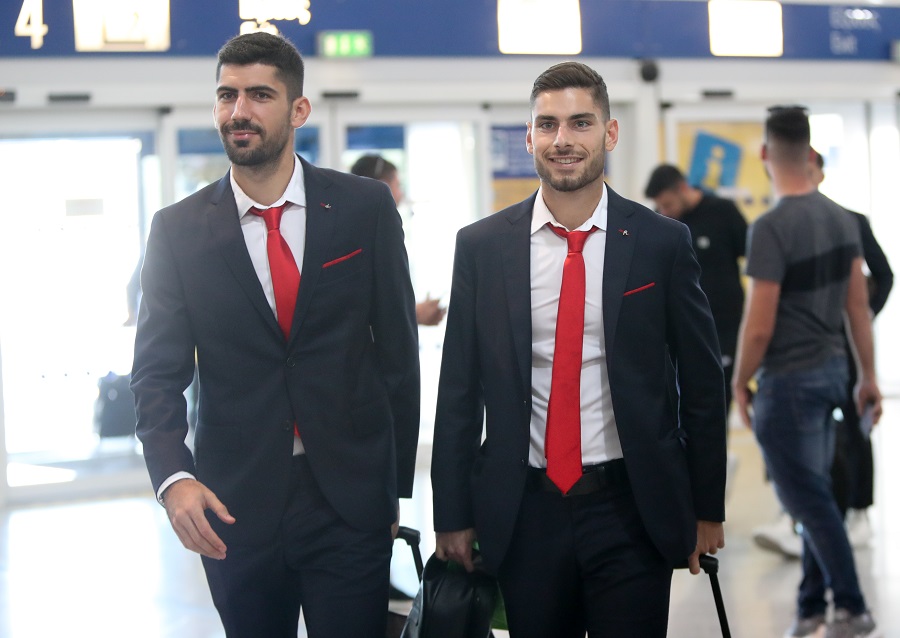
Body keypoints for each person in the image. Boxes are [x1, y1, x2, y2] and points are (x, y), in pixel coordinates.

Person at [130, 32, 420, 638]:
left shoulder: (364, 208)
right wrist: (174, 478)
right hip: (233, 505)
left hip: (349, 501)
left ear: (298, 109)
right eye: (227, 95)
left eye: (260, 95)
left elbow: (398, 354)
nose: (239, 111)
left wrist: (390, 491)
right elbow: (156, 373)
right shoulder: (177, 231)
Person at [431, 61, 727, 637]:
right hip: (525, 511)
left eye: (580, 123)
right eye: (547, 125)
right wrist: (453, 514)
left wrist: (707, 507)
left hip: (632, 507)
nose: (562, 139)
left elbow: (701, 382)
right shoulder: (483, 247)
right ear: (529, 136)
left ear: (609, 133)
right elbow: (458, 390)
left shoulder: (661, 243)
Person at [732, 106, 882, 638]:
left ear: (766, 154)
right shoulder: (842, 219)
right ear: (810, 151)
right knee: (815, 494)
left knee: (808, 501)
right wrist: (868, 375)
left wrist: (739, 380)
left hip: (789, 382)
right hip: (834, 372)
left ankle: (852, 606)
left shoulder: (771, 228)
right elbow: (857, 307)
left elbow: (758, 327)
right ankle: (812, 605)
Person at [752, 150, 894, 561]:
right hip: (796, 349)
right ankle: (793, 516)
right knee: (793, 431)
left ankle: (859, 512)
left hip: (842, 343)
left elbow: (883, 275)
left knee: (853, 426)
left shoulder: (849, 221)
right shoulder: (779, 223)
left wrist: (860, 317)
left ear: (818, 173)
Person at [643, 164, 747, 413]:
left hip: (724, 328)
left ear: (682, 188)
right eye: (660, 206)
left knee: (718, 402)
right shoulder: (663, 223)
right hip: (680, 329)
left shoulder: (722, 212)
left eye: (668, 204)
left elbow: (754, 257)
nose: (664, 211)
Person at [350, 154, 446, 326]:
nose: (401, 195)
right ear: (383, 186)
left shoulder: (353, 227)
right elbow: (369, 305)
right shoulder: (370, 234)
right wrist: (415, 314)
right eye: (398, 186)